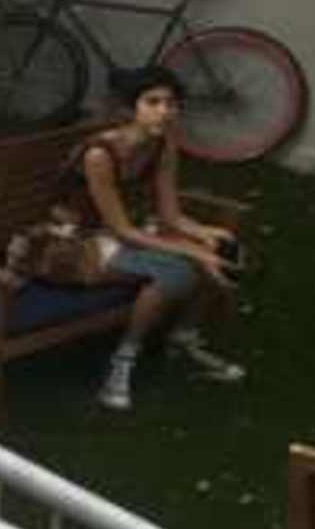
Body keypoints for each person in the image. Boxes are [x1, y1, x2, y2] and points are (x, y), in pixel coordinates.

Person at [45, 69, 242, 411]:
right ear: (130, 108)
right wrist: (194, 252)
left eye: (171, 103)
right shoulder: (100, 155)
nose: (164, 111)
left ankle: (183, 336)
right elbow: (121, 229)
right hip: (76, 243)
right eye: (153, 102)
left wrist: (206, 234)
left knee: (216, 248)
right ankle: (122, 363)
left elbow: (170, 215)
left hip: (124, 232)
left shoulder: (163, 145)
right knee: (177, 270)